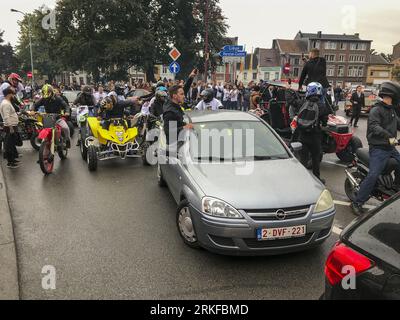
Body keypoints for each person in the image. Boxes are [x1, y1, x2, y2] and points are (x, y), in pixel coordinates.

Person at [351, 81, 400, 215]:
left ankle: (395, 187)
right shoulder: (376, 110)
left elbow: (398, 124)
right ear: (392, 95)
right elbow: (374, 127)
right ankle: (357, 202)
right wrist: (390, 137)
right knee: (373, 175)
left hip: (390, 147)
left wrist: (393, 139)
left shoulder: (392, 110)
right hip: (378, 148)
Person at [296, 82, 330, 184]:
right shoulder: (321, 105)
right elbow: (325, 121)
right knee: (315, 157)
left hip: (302, 135)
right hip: (315, 136)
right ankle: (316, 178)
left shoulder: (302, 103)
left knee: (303, 158)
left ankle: (302, 179)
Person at [163, 69, 197, 145]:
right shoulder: (170, 112)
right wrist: (185, 127)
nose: (184, 96)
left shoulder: (171, 101)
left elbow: (183, 89)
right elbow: (169, 132)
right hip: (175, 148)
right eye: (182, 94)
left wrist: (191, 77)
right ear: (174, 96)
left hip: (182, 142)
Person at [0, 87, 20, 168]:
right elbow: (6, 117)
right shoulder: (5, 104)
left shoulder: (7, 102)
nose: (13, 95)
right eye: (12, 94)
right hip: (9, 126)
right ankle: (10, 163)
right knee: (9, 145)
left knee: (12, 145)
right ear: (9, 94)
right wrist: (11, 127)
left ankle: (13, 159)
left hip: (12, 125)